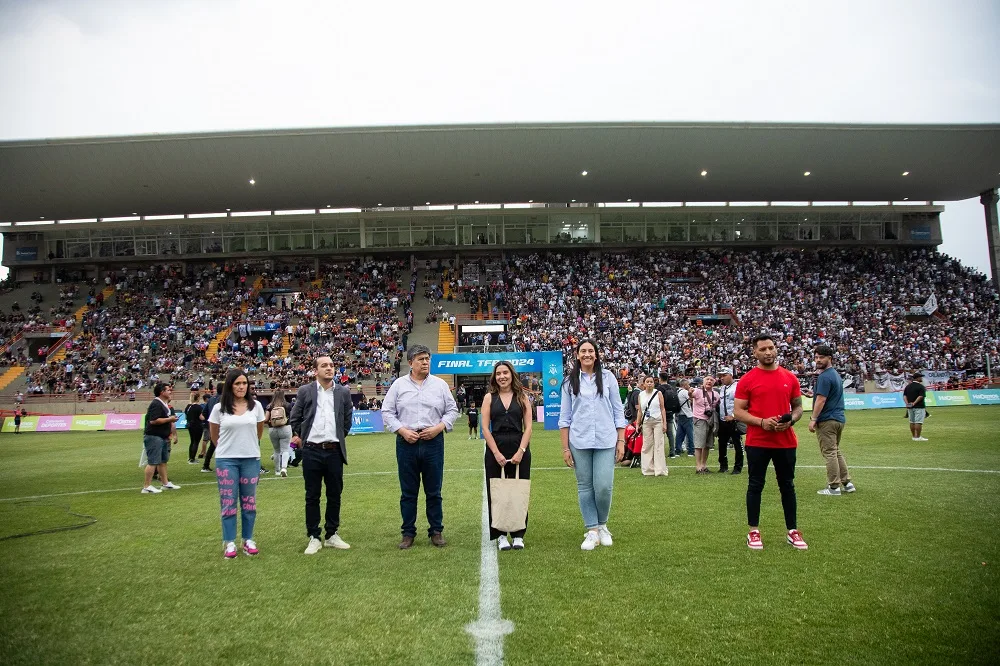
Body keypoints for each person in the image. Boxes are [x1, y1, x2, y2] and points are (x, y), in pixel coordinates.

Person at [733, 333, 807, 551]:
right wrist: (762, 422)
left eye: (771, 348)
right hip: (758, 441)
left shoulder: (790, 378)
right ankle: (753, 531)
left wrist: (791, 420)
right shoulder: (748, 379)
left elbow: (798, 407)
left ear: (776, 349)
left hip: (785, 441)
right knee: (756, 485)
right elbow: (738, 411)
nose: (768, 352)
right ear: (754, 352)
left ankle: (792, 531)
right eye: (763, 349)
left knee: (788, 486)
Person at [381, 344, 459, 549]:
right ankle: (408, 533)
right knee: (408, 492)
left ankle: (436, 531)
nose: (425, 362)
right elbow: (387, 412)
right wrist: (402, 430)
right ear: (410, 363)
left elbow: (452, 410)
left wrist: (438, 428)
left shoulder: (440, 385)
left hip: (433, 442)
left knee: (434, 490)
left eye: (427, 359)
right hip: (406, 443)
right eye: (421, 359)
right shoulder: (398, 385)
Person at [558, 339, 628, 551]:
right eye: (583, 351)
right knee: (585, 486)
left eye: (591, 351)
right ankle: (592, 530)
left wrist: (621, 440)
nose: (587, 354)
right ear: (577, 355)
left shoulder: (608, 378)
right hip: (579, 440)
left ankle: (603, 524)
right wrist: (565, 448)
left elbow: (618, 410)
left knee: (604, 486)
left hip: (606, 439)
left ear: (596, 355)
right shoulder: (569, 383)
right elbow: (564, 417)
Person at [290, 356, 355, 555]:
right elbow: (295, 417)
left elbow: (347, 420)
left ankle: (331, 534)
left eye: (331, 365)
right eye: (324, 365)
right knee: (312, 495)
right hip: (311, 450)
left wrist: (336, 437)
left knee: (334, 494)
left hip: (334, 451)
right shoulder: (305, 391)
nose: (329, 368)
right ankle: (314, 536)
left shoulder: (343, 392)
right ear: (315, 370)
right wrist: (301, 436)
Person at [208, 369, 266, 558]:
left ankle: (248, 539)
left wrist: (247, 448)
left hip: (251, 459)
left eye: (244, 383)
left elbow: (258, 432)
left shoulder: (256, 406)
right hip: (226, 460)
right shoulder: (219, 408)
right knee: (228, 503)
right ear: (230, 386)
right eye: (237, 384)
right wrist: (227, 450)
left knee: (249, 503)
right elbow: (214, 435)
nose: (241, 387)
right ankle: (229, 541)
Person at [481, 360, 533, 551]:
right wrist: (496, 453)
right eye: (498, 373)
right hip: (496, 446)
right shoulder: (489, 397)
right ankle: (501, 535)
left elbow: (528, 427)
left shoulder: (522, 397)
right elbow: (485, 428)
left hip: (519, 445)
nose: (502, 376)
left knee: (519, 490)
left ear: (512, 374)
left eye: (505, 373)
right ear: (494, 377)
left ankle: (519, 534)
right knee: (497, 492)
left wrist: (521, 451)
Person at [808, 345, 856, 496]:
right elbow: (824, 395)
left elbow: (821, 400)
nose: (818, 360)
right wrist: (813, 393)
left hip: (827, 419)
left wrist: (813, 419)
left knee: (829, 452)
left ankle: (834, 487)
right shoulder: (834, 374)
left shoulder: (824, 376)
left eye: (821, 357)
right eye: (816, 357)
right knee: (835, 451)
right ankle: (847, 483)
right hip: (838, 418)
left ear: (830, 358)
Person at [141, 383, 180, 494]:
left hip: (162, 436)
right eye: (168, 390)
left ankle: (165, 483)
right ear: (162, 392)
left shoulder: (163, 404)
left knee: (163, 461)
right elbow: (153, 420)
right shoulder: (156, 404)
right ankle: (147, 486)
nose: (170, 391)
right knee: (153, 461)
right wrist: (170, 419)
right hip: (154, 436)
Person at [636, 375, 668, 477]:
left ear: (654, 383)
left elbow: (663, 408)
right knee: (647, 445)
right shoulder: (640, 395)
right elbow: (640, 411)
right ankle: (648, 469)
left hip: (658, 420)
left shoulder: (658, 393)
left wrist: (664, 422)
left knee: (659, 444)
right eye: (647, 382)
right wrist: (637, 423)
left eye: (651, 382)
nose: (649, 383)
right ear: (644, 384)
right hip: (646, 422)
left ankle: (660, 470)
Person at [716, 368, 744, 474]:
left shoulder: (738, 387)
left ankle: (738, 467)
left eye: (724, 375)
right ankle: (723, 466)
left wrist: (733, 416)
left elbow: (744, 404)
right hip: (723, 421)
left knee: (737, 444)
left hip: (734, 421)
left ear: (731, 375)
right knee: (721, 444)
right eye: (720, 376)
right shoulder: (722, 388)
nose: (722, 378)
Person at [691, 376, 719, 474]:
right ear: (703, 382)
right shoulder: (698, 391)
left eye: (711, 380)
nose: (709, 381)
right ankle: (698, 467)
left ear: (714, 382)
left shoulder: (716, 394)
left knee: (707, 444)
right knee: (699, 444)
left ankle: (704, 465)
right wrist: (690, 392)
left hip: (710, 420)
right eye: (707, 379)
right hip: (699, 419)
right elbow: (690, 395)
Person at [266, 389, 293, 478]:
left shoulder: (269, 406)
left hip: (272, 429)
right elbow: (292, 417)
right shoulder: (287, 405)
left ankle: (277, 470)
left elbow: (266, 419)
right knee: (285, 449)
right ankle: (284, 468)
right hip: (285, 428)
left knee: (276, 450)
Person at [200, 384, 223, 473]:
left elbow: (204, 413)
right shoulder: (222, 399)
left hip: (212, 424)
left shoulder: (211, 399)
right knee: (221, 445)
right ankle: (221, 466)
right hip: (221, 425)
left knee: (213, 444)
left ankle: (206, 465)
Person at [657, 372, 679, 459]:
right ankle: (672, 451)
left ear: (660, 379)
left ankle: (660, 451)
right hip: (671, 412)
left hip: (662, 412)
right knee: (670, 433)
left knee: (659, 432)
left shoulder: (659, 389)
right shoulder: (672, 388)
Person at [903, 372, 928, 441]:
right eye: (920, 377)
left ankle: (914, 436)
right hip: (919, 406)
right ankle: (918, 437)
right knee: (918, 422)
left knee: (912, 421)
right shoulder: (921, 387)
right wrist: (914, 403)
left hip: (910, 407)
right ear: (917, 378)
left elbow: (904, 396)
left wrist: (907, 403)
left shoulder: (908, 386)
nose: (921, 378)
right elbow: (920, 396)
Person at [673, 378, 695, 458]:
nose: (689, 386)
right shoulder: (685, 392)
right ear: (685, 385)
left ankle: (677, 450)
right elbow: (692, 399)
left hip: (679, 414)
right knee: (690, 434)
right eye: (688, 384)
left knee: (679, 434)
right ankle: (691, 451)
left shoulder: (677, 391)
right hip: (687, 414)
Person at [185, 391, 203, 464]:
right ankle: (192, 459)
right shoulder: (198, 407)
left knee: (192, 441)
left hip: (190, 425)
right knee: (196, 442)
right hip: (197, 425)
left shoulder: (188, 406)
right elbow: (201, 417)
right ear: (198, 398)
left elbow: (186, 416)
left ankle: (190, 457)